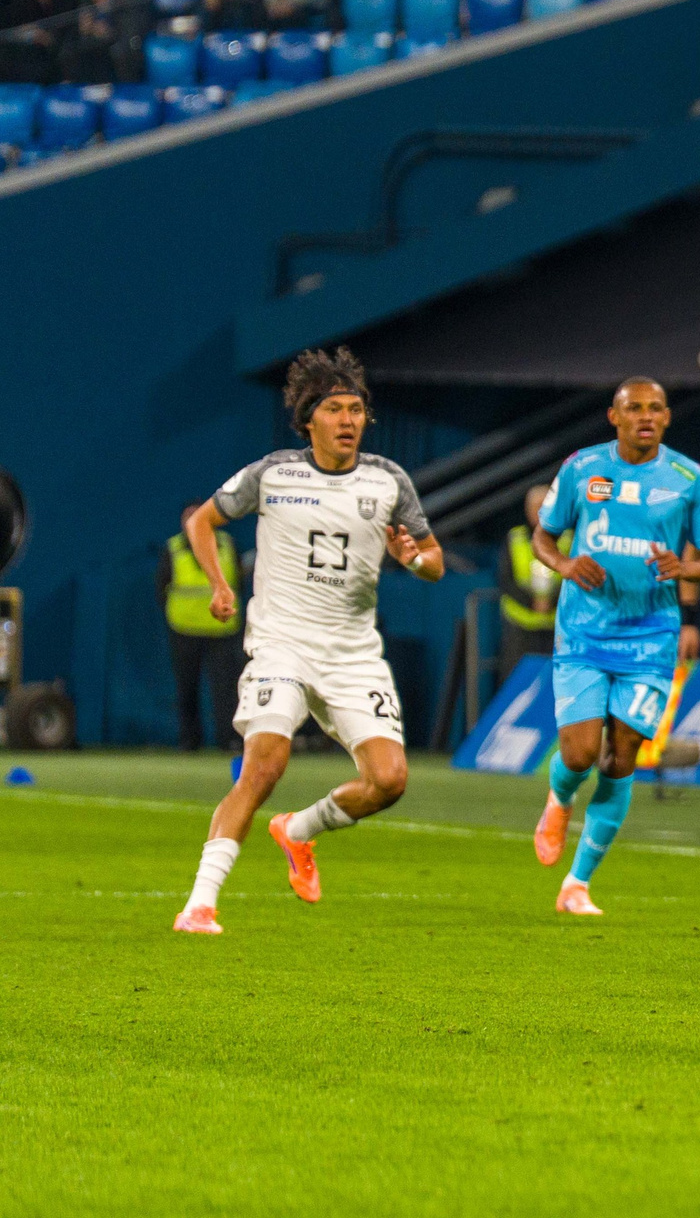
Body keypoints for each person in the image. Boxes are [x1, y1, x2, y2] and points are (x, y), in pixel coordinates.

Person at [172, 348, 445, 935]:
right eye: (335, 409)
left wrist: (414, 559)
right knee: (265, 763)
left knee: (389, 781)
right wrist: (220, 585)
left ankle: (297, 830)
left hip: (353, 656)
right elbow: (201, 522)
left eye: (357, 409)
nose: (349, 420)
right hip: (283, 645)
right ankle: (201, 903)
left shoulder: (388, 479)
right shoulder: (274, 474)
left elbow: (434, 562)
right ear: (309, 419)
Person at [528, 378, 700, 917]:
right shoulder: (580, 468)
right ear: (613, 417)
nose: (646, 416)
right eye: (634, 408)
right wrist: (567, 564)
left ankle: (577, 885)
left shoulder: (689, 479)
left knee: (620, 760)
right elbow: (542, 537)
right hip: (582, 634)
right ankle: (559, 798)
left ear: (667, 418)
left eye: (656, 408)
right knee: (577, 753)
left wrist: (686, 567)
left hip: (650, 639)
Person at [162, 501, 246, 754]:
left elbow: (239, 581)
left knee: (226, 689)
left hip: (222, 629)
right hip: (184, 628)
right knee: (186, 688)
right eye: (189, 518)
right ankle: (189, 741)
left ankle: (228, 739)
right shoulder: (173, 548)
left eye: (198, 517)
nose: (193, 524)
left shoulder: (228, 544)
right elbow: (162, 586)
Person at [495, 484, 559, 685]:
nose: (539, 511)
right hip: (519, 628)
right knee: (515, 686)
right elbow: (505, 579)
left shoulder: (568, 537)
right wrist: (532, 602)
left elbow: (574, 577)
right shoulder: (514, 538)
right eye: (535, 506)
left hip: (556, 628)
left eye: (544, 505)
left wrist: (551, 601)